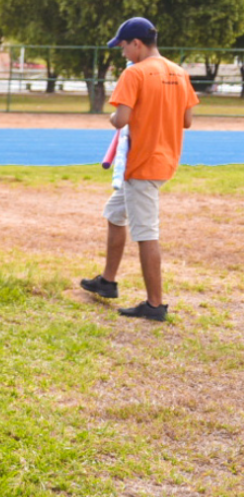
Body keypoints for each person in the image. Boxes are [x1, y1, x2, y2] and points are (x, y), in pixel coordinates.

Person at [79, 17, 199, 321]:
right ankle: (107, 282)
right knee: (114, 213)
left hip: (142, 162)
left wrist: (113, 118)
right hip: (165, 158)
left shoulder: (135, 73)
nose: (122, 52)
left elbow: (120, 119)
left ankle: (155, 305)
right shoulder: (180, 72)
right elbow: (187, 121)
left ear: (137, 44)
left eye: (123, 46)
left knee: (146, 233)